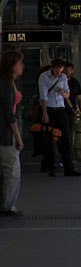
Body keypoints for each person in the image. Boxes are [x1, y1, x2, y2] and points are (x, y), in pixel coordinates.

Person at [39, 58, 79, 176]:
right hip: (49, 109)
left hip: (61, 109)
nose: (58, 74)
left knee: (66, 137)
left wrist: (63, 92)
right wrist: (45, 113)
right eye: (57, 71)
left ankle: (68, 167)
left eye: (61, 71)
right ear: (52, 68)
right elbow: (43, 97)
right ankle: (51, 167)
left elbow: (67, 94)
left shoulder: (63, 77)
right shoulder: (44, 77)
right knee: (49, 139)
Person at [0, 51, 25, 217]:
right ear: (12, 65)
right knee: (12, 171)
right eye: (19, 63)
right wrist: (18, 137)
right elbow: (9, 113)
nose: (23, 66)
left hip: (5, 133)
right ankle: (7, 206)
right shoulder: (7, 84)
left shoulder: (9, 83)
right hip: (6, 135)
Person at [64, 61, 81, 156]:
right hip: (61, 110)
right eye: (66, 70)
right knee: (63, 132)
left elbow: (80, 98)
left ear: (72, 70)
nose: (68, 72)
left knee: (70, 132)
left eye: (70, 70)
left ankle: (70, 154)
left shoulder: (75, 82)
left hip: (72, 111)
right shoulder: (59, 81)